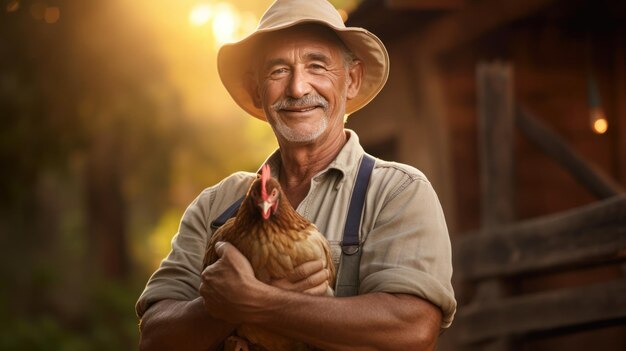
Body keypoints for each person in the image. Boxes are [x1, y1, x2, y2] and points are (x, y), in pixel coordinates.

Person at [136, 0, 456, 350]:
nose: (298, 88)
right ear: (258, 90)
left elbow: (412, 330)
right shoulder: (216, 206)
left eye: (317, 66)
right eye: (277, 71)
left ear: (351, 79)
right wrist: (221, 308)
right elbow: (155, 337)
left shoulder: (397, 193)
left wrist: (260, 301)